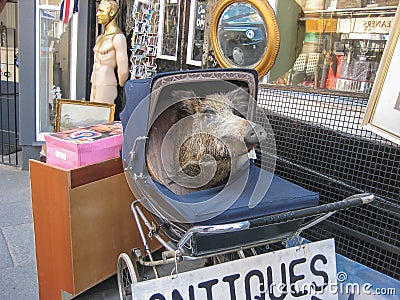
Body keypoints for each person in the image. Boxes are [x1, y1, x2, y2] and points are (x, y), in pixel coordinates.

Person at [90, 0, 129, 105]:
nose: (97, 14)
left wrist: (121, 83)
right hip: (94, 81)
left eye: (101, 11)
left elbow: (124, 71)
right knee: (91, 116)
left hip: (106, 83)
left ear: (111, 13)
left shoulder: (118, 38)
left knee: (101, 117)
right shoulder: (100, 38)